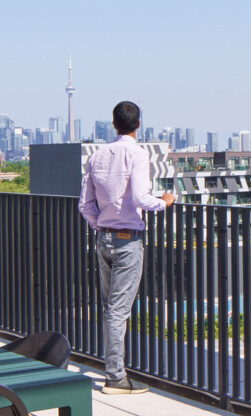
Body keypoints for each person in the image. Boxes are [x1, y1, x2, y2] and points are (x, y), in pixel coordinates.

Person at [79, 101, 175, 395]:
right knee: (118, 311)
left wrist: (100, 226)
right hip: (127, 240)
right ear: (138, 124)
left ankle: (113, 370)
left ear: (114, 123)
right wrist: (166, 202)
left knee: (111, 309)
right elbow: (141, 198)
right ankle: (116, 377)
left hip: (103, 238)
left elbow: (84, 204)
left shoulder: (96, 156)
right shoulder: (137, 154)